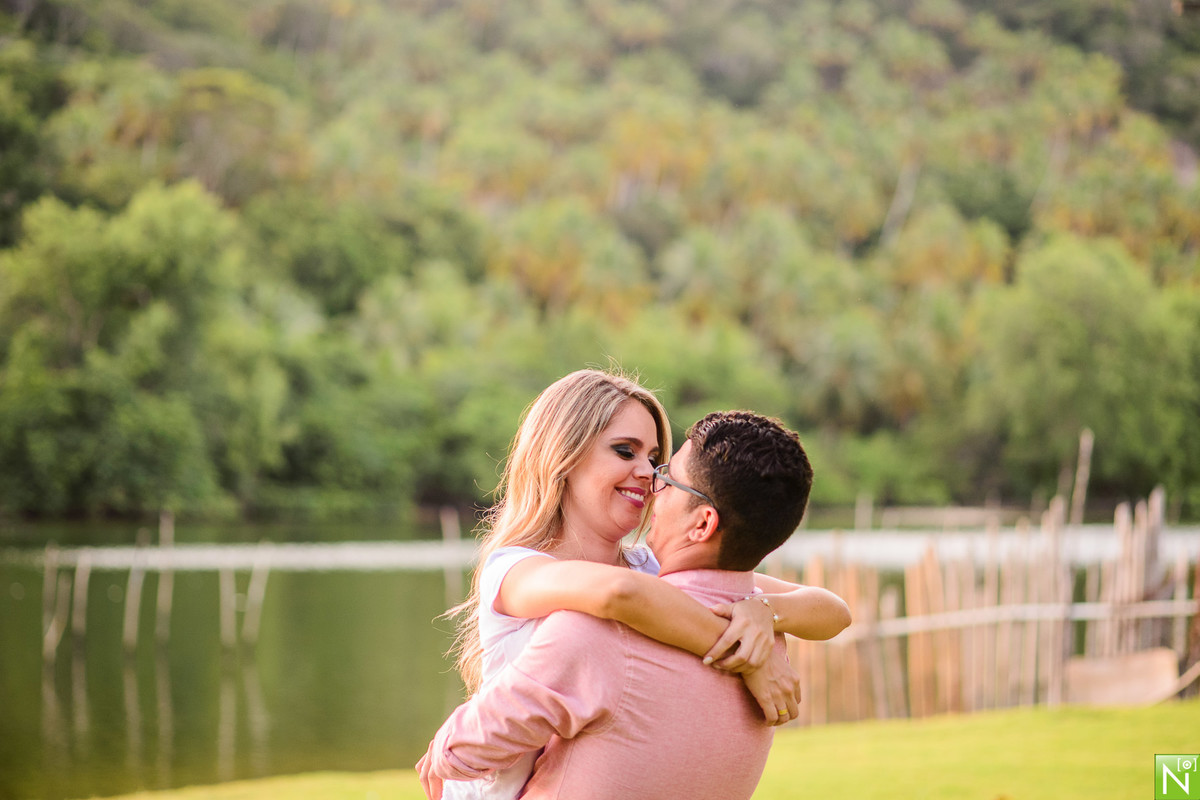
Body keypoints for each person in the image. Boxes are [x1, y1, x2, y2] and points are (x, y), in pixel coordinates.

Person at [434, 371, 850, 800]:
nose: (649, 474)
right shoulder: (517, 569)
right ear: (564, 455)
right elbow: (618, 596)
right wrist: (750, 657)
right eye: (624, 451)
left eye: (654, 458)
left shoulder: (650, 568)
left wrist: (764, 612)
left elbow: (833, 610)